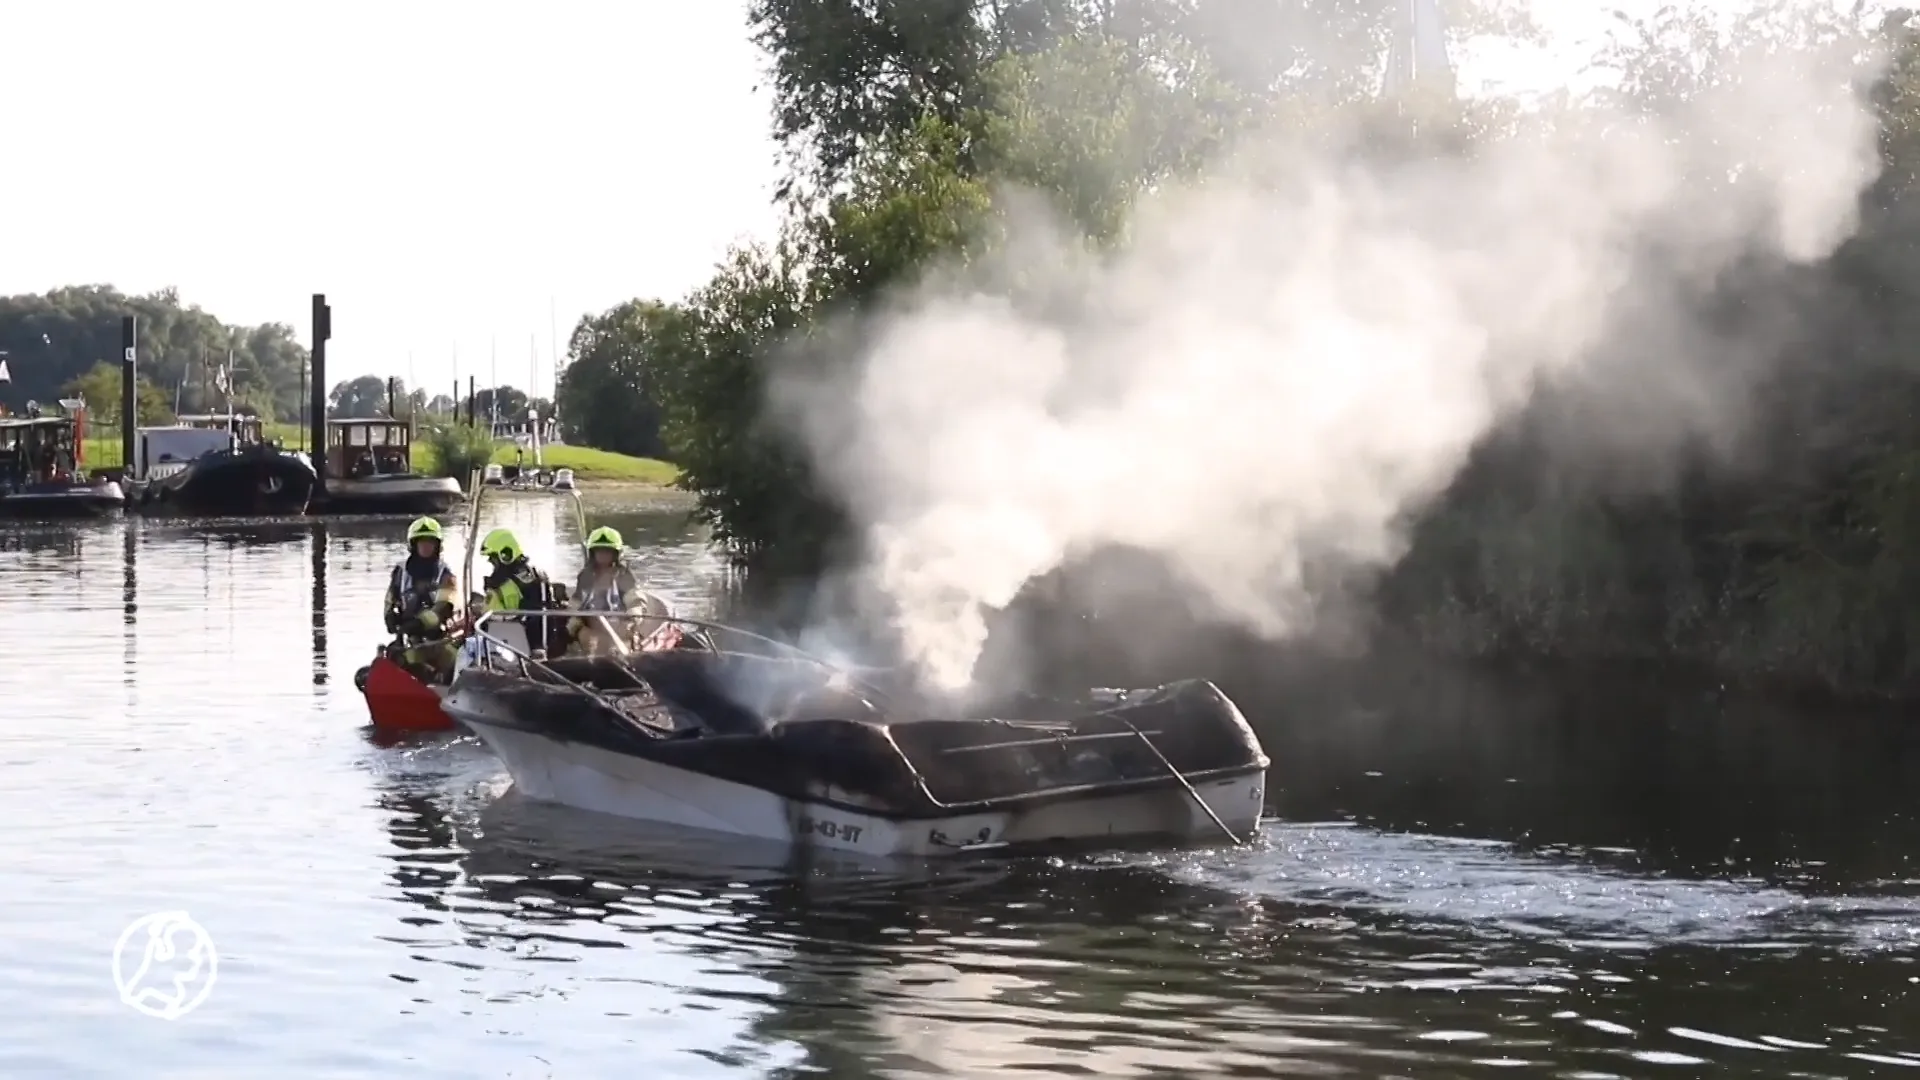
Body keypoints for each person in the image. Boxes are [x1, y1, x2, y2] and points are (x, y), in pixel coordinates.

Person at [567, 526, 675, 653]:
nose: (603, 555)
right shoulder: (585, 576)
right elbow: (576, 602)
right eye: (599, 551)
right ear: (592, 553)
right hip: (592, 625)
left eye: (607, 551)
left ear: (616, 554)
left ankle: (624, 653)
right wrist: (573, 621)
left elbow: (634, 598)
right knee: (587, 640)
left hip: (619, 622)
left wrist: (634, 615)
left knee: (622, 641)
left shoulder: (623, 575)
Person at [382, 516, 459, 681]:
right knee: (394, 657)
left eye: (430, 542)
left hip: (439, 641)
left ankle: (435, 682)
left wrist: (420, 623)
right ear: (413, 545)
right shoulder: (400, 572)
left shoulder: (445, 575)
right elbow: (391, 599)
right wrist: (390, 616)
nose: (425, 546)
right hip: (409, 639)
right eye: (421, 542)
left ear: (437, 545)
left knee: (452, 665)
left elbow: (444, 607)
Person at [478, 527, 556, 656]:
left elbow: (493, 616)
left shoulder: (505, 586)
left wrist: (479, 610)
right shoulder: (538, 575)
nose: (491, 562)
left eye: (493, 558)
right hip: (535, 642)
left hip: (514, 645)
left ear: (505, 555)